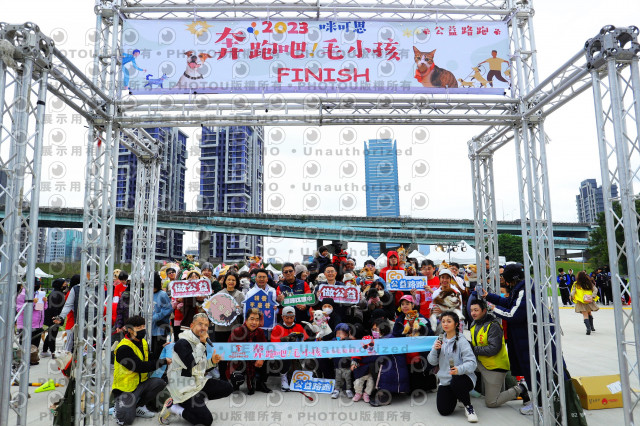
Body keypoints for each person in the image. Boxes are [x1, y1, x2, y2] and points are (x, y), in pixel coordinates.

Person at [482, 263, 535, 415]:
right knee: (528, 370)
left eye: (504, 278)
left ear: (512, 279)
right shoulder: (519, 288)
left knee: (532, 370)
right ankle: (534, 400)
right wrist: (489, 296)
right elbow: (509, 303)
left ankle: (538, 404)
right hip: (522, 337)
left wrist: (494, 309)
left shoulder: (525, 291)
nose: (503, 281)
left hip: (527, 338)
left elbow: (513, 314)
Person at [160, 312, 231, 425]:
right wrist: (202, 344)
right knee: (206, 421)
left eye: (206, 325)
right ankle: (174, 408)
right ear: (192, 326)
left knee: (227, 387)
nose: (203, 328)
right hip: (183, 389)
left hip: (197, 384)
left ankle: (197, 403)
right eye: (200, 324)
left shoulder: (198, 342)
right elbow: (190, 363)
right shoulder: (182, 343)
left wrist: (212, 362)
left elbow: (199, 367)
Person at [469, 299, 529, 408]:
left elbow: (493, 349)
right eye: (471, 310)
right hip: (481, 363)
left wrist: (473, 349)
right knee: (458, 363)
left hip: (495, 367)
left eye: (476, 310)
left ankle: (521, 388)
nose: (473, 313)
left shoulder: (493, 326)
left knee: (491, 402)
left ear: (484, 310)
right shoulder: (473, 324)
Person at [112, 315, 170, 425]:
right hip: (126, 389)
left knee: (159, 383)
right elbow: (140, 367)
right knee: (126, 421)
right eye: (138, 327)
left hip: (140, 384)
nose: (142, 329)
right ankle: (118, 406)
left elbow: (150, 358)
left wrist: (162, 348)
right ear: (130, 330)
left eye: (143, 326)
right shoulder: (123, 348)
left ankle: (139, 406)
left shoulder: (142, 342)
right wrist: (163, 361)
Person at [428, 311, 478, 423]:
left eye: (449, 321)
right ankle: (458, 395)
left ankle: (468, 407)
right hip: (446, 380)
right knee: (444, 411)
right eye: (443, 321)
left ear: (456, 324)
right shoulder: (439, 339)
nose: (445, 324)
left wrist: (459, 369)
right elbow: (432, 361)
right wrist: (435, 350)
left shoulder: (462, 341)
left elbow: (472, 363)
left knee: (456, 381)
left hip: (463, 378)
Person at [227, 308, 272, 394]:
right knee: (237, 376)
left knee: (269, 360)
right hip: (239, 361)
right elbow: (229, 350)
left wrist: (262, 358)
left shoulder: (260, 332)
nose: (254, 322)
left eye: (257, 320)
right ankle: (235, 384)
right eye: (252, 319)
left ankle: (260, 383)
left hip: (254, 360)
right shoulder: (237, 331)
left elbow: (265, 348)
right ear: (246, 320)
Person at [213, 272, 245, 379]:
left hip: (234, 328)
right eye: (229, 279)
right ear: (225, 281)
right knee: (222, 353)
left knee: (234, 353)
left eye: (233, 280)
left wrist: (236, 309)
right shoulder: (219, 294)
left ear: (237, 282)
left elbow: (243, 310)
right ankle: (223, 376)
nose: (231, 282)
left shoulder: (240, 295)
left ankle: (234, 376)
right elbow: (213, 310)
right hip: (220, 328)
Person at [270, 306, 308, 391]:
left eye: (292, 317)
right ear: (282, 317)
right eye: (287, 318)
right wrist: (284, 340)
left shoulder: (299, 326)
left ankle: (301, 376)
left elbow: (305, 339)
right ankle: (283, 376)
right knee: (285, 357)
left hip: (297, 351)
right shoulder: (277, 328)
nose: (289, 320)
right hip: (283, 352)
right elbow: (274, 343)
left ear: (294, 317)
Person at [16, 278, 47, 360]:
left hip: (38, 324)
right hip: (26, 325)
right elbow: (20, 310)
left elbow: (41, 308)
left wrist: (44, 302)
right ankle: (23, 360)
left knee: (35, 345)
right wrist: (32, 302)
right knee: (25, 345)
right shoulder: (22, 295)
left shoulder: (38, 293)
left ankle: (33, 359)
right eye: (37, 285)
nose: (38, 286)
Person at [42, 278, 66, 358]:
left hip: (53, 317)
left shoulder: (57, 292)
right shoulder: (56, 294)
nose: (65, 285)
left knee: (50, 334)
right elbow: (54, 307)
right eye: (64, 284)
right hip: (54, 318)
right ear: (59, 285)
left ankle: (44, 351)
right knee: (52, 335)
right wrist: (56, 318)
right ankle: (53, 352)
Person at [331, 323, 355, 399]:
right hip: (337, 366)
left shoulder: (348, 341)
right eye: (337, 333)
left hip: (347, 366)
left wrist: (347, 339)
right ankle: (336, 390)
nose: (339, 335)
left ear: (347, 334)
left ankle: (348, 390)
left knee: (348, 379)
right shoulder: (334, 341)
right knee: (337, 379)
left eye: (341, 333)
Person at [152, 272, 172, 357]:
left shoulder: (162, 294)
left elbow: (168, 308)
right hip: (149, 328)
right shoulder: (147, 294)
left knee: (159, 351)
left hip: (160, 328)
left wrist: (156, 317)